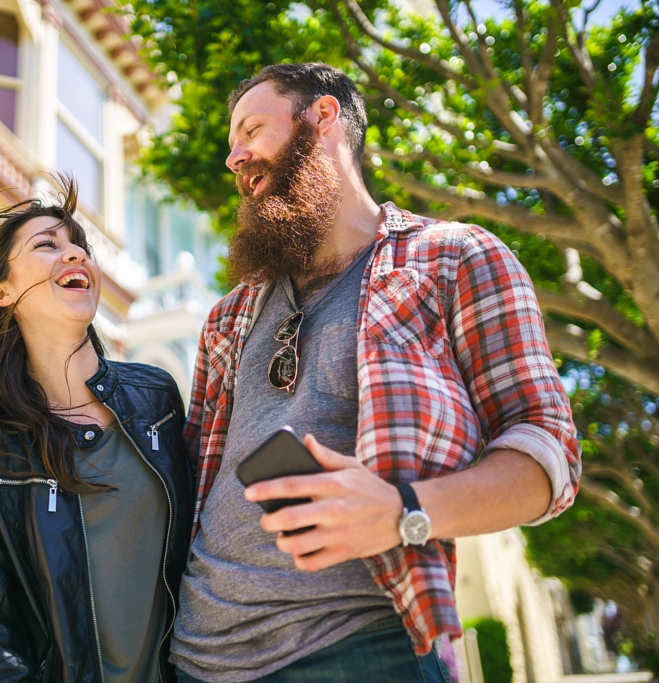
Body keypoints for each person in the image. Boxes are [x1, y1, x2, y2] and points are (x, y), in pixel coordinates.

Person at [170, 63, 582, 683]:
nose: (235, 157)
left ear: (324, 117)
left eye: (252, 129)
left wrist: (403, 510)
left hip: (360, 649)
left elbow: (550, 453)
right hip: (195, 656)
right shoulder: (228, 317)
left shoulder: (455, 257)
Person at [0, 179, 194, 682]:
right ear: (3, 292)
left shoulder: (157, 399)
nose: (74, 255)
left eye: (79, 247)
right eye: (47, 245)